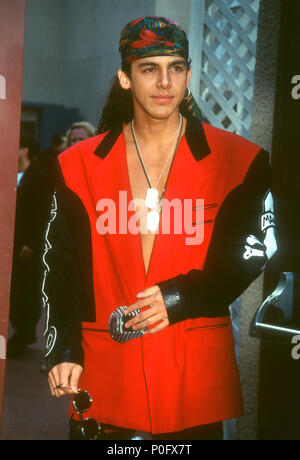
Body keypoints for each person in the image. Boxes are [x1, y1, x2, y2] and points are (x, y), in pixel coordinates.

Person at [44, 17, 277, 440]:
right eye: (149, 68)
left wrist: (182, 295)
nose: (164, 81)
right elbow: (61, 267)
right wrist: (62, 348)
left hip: (192, 370)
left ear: (188, 75)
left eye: (176, 67)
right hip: (107, 367)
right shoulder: (75, 165)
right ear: (125, 78)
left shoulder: (240, 160)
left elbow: (253, 252)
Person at [8, 131, 50, 357]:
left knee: (26, 290)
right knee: (15, 290)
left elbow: (41, 215)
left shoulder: (38, 178)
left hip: (28, 247)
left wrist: (32, 244)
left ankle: (24, 333)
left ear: (25, 149)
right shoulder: (12, 175)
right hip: (13, 244)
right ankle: (20, 330)